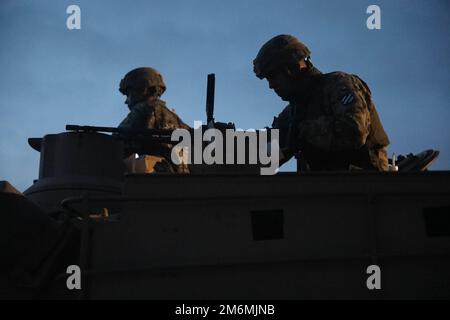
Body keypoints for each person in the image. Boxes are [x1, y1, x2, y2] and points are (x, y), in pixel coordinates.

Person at [253, 34, 390, 171]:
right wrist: (239, 146)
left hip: (366, 185)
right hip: (328, 187)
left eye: (273, 76)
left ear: (292, 69)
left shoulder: (338, 85)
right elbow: (272, 146)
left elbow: (354, 131)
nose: (271, 85)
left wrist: (304, 130)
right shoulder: (294, 110)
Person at [118, 67, 190, 173]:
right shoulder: (174, 118)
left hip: (157, 177)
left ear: (143, 90)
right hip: (180, 179)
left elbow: (116, 143)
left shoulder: (143, 109)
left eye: (129, 94)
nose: (126, 101)